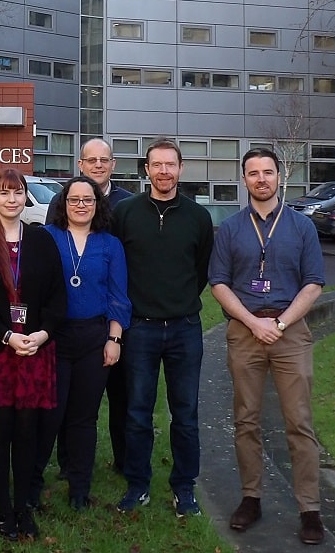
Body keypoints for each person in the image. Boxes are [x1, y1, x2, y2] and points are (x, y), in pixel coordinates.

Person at [208, 148, 326, 545]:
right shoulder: (230, 229)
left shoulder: (301, 227)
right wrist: (253, 322)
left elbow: (313, 283)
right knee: (246, 420)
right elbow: (219, 284)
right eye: (253, 173)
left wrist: (279, 323)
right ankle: (251, 498)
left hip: (290, 332)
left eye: (268, 172)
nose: (261, 179)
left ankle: (310, 508)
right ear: (244, 180)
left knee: (299, 422)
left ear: (279, 177)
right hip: (245, 331)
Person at [0, 168, 67, 541]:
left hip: (35, 350)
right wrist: (6, 335)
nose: (12, 199)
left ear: (25, 198)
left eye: (18, 192)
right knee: (0, 431)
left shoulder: (41, 241)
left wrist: (41, 333)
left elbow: (57, 298)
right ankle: (3, 510)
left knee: (27, 433)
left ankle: (24, 509)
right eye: (4, 193)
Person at [110, 138, 214, 517]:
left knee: (185, 414)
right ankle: (138, 484)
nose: (164, 171)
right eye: (157, 164)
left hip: (185, 328)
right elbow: (116, 268)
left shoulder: (198, 218)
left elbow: (201, 269)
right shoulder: (126, 213)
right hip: (140, 329)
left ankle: (184, 488)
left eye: (171, 164)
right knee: (137, 412)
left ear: (181, 169)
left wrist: (180, 301)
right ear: (146, 170)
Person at [34, 176, 131, 510]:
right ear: (63, 203)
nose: (80, 205)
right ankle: (32, 484)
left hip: (94, 337)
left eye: (87, 200)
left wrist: (114, 338)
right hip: (53, 339)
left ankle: (79, 488)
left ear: (97, 204)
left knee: (83, 417)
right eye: (74, 199)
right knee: (50, 414)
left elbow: (118, 296)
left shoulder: (109, 244)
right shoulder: (47, 237)